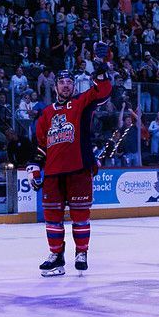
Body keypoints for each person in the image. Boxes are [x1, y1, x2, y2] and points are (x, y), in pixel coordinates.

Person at [26, 43, 112, 277]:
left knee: (80, 216)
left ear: (73, 86)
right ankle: (56, 256)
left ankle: (81, 253)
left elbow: (102, 91)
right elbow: (41, 146)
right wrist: (35, 168)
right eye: (62, 82)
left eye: (69, 82)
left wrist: (101, 69)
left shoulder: (82, 103)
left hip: (79, 169)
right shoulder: (46, 113)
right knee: (52, 218)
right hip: (53, 172)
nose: (66, 85)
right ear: (55, 87)